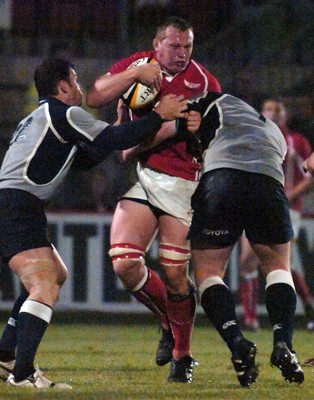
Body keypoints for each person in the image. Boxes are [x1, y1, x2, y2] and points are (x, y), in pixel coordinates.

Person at [0, 57, 188, 388]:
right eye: (75, 81)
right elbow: (113, 141)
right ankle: (23, 372)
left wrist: (117, 125)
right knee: (44, 284)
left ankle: (5, 355)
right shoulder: (65, 113)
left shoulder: (40, 118)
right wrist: (160, 115)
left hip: (16, 204)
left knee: (54, 275)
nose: (80, 88)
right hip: (17, 205)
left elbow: (87, 158)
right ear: (62, 87)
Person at [86, 15, 221, 383]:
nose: (181, 54)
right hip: (146, 179)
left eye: (188, 47)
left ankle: (183, 355)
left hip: (184, 184)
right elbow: (94, 95)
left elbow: (212, 139)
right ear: (157, 44)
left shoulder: (204, 82)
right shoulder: (139, 65)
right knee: (124, 263)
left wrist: (188, 128)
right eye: (174, 46)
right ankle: (167, 322)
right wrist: (134, 77)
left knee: (176, 275)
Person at [182, 91, 305, 387]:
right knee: (278, 267)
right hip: (269, 185)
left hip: (223, 180)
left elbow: (183, 119)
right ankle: (283, 341)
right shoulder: (273, 130)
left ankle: (237, 342)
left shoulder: (214, 100)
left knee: (209, 273)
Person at [239, 99, 314, 331]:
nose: (268, 113)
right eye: (265, 109)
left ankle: (305, 307)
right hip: (256, 205)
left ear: (283, 114)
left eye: (273, 109)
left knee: (280, 263)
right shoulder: (254, 138)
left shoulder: (297, 141)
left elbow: (310, 174)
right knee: (247, 261)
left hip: (287, 207)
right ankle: (250, 319)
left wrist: (289, 195)